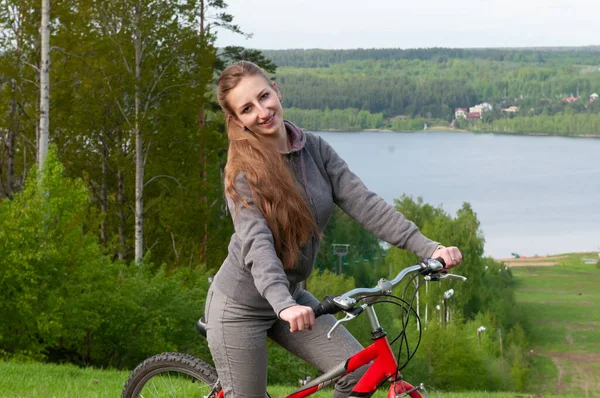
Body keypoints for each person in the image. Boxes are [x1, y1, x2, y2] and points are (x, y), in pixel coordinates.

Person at [205, 60, 463, 398]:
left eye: (264, 96)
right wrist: (283, 304)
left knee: (361, 370)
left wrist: (428, 247)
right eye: (248, 108)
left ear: (277, 92)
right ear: (237, 120)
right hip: (241, 307)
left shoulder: (314, 150)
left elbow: (364, 203)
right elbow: (257, 244)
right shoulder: (242, 173)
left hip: (293, 296)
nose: (263, 111)